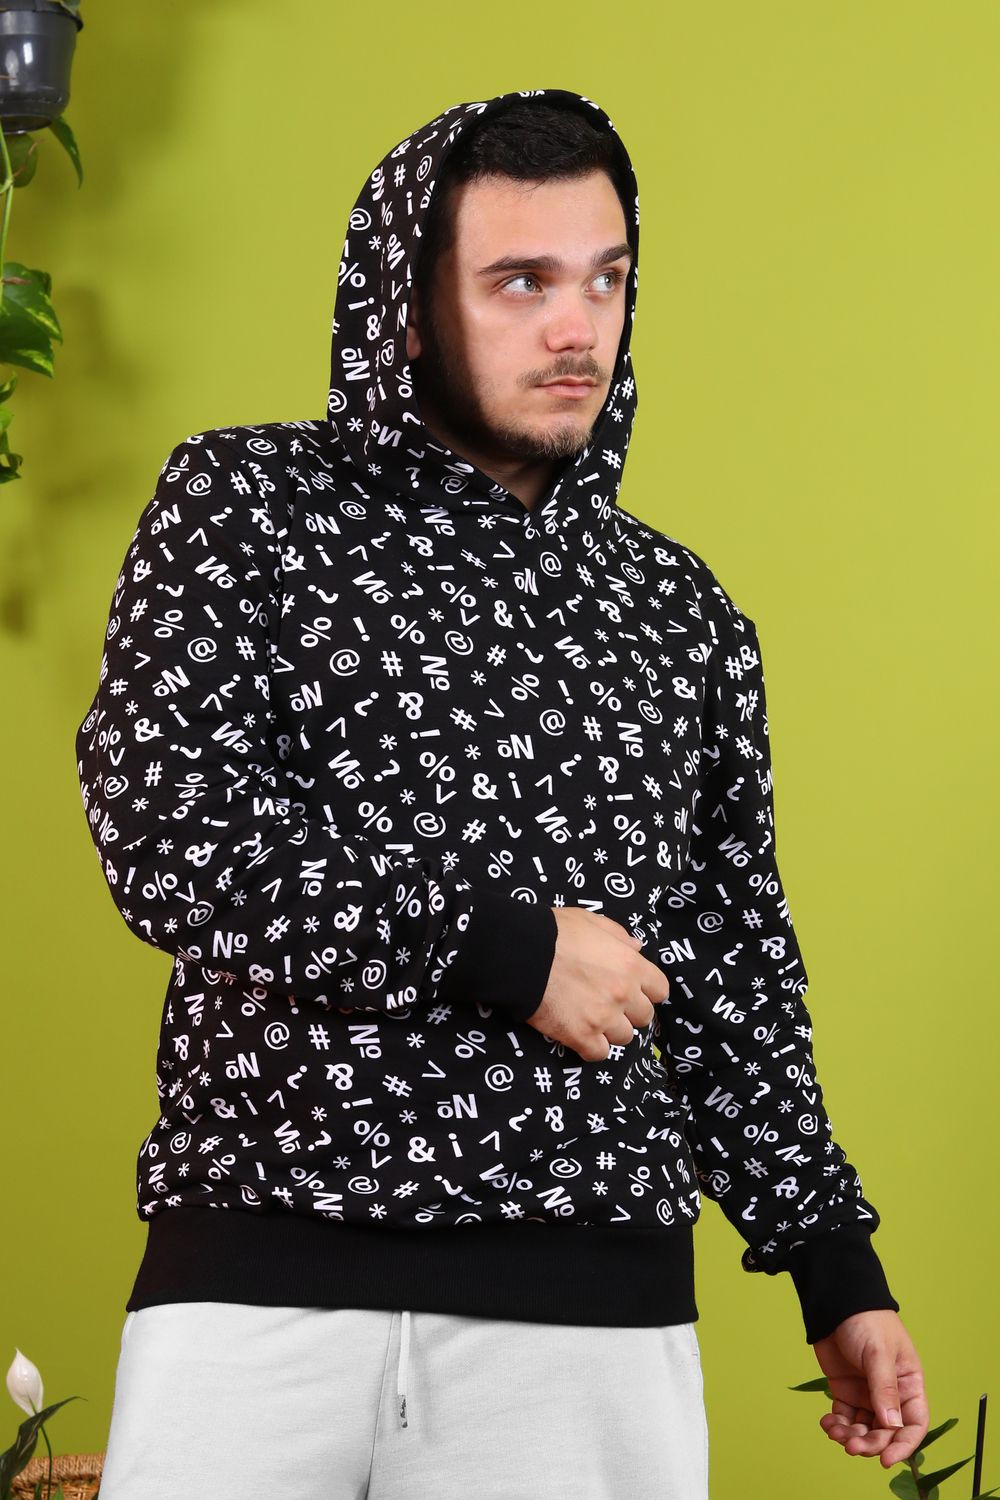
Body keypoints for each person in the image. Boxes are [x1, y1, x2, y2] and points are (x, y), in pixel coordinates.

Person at [75, 88, 928, 1499]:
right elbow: (171, 834)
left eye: (604, 278)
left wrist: (835, 1267)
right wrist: (507, 949)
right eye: (520, 281)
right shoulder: (246, 508)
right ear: (408, 307)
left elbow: (728, 955)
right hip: (260, 1282)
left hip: (589, 1317)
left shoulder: (678, 610)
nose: (575, 327)